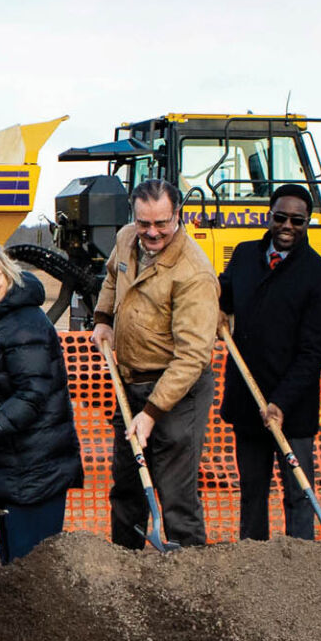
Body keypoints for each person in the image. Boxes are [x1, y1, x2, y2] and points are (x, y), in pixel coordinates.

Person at [90, 179, 219, 549]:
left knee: (176, 493)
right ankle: (126, 569)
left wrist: (151, 413)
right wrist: (102, 318)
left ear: (177, 215)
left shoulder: (193, 272)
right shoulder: (127, 238)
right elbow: (113, 276)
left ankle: (189, 574)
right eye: (144, 222)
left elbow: (192, 356)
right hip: (130, 382)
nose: (152, 232)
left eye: (161, 223)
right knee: (127, 485)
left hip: (178, 393)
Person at [217, 183, 321, 541]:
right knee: (252, 491)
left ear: (308, 222)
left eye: (297, 221)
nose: (288, 226)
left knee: (297, 493)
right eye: (281, 218)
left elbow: (314, 352)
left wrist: (281, 402)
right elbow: (225, 292)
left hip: (292, 408)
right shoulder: (244, 255)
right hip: (248, 399)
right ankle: (254, 561)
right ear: (269, 217)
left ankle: (299, 565)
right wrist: (220, 310)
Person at [0, 242, 82, 563]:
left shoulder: (25, 323)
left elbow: (33, 393)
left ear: (8, 274)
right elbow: (10, 373)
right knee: (13, 565)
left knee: (31, 567)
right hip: (16, 464)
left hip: (36, 466)